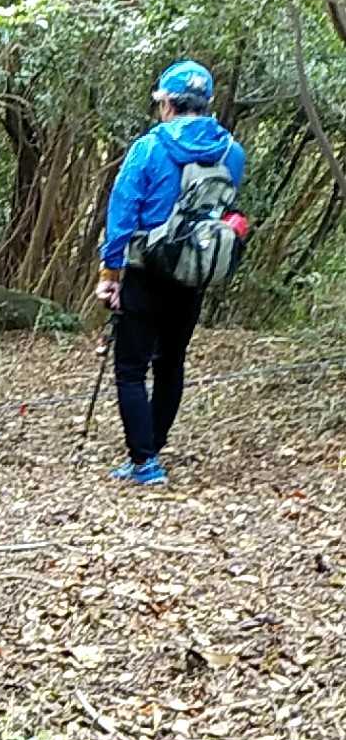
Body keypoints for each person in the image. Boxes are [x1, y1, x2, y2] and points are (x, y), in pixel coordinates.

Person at [97, 59, 245, 486]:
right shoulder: (230, 152)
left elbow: (122, 213)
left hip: (145, 269)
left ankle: (144, 462)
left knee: (130, 367)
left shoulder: (149, 148)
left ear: (168, 104)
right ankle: (152, 449)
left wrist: (110, 273)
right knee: (171, 361)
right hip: (193, 269)